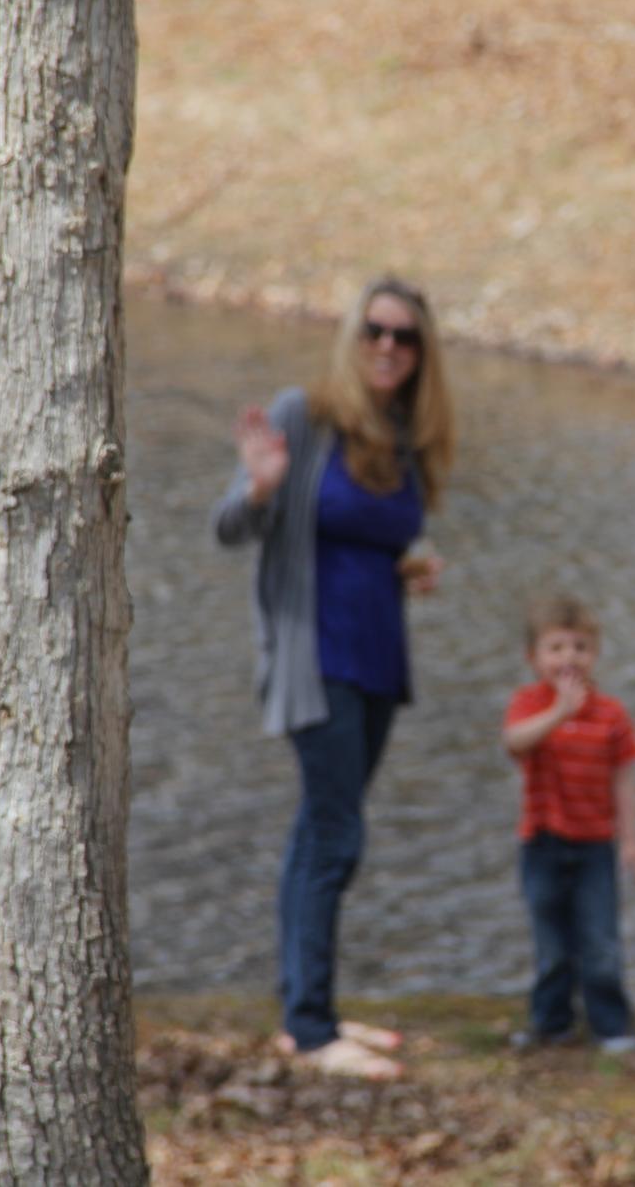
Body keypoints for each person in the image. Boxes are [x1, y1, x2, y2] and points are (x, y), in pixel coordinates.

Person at [213, 275, 454, 1080]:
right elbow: (227, 527)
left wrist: (406, 566)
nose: (388, 346)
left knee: (321, 834)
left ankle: (303, 1009)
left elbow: (374, 540)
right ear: (354, 337)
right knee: (335, 832)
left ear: (422, 355)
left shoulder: (406, 436)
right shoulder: (302, 417)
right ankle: (313, 1031)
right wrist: (261, 488)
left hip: (379, 658)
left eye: (405, 337)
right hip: (315, 659)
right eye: (375, 331)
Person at [500, 595, 635, 1054]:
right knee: (552, 945)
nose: (569, 657)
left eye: (580, 647)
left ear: (595, 654)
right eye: (556, 648)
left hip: (595, 848)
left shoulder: (611, 714)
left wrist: (631, 842)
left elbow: (624, 780)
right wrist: (559, 712)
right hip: (541, 844)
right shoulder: (528, 704)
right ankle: (551, 1023)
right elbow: (514, 743)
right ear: (534, 657)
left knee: (600, 942)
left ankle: (611, 1026)